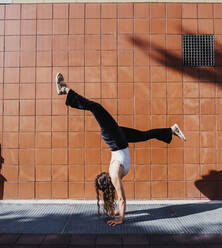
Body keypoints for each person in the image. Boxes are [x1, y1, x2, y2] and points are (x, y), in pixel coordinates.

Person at [55, 73, 186, 226]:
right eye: (102, 177)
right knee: (95, 107)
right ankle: (64, 90)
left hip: (119, 140)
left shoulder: (115, 176)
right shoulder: (114, 174)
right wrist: (121, 219)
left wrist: (116, 211)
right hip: (115, 139)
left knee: (144, 135)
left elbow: (118, 198)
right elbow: (122, 199)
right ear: (106, 179)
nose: (104, 174)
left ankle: (171, 131)